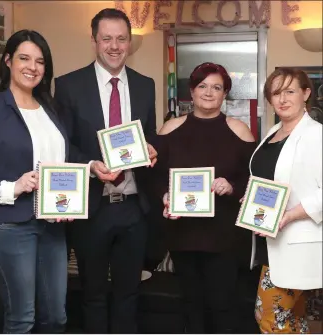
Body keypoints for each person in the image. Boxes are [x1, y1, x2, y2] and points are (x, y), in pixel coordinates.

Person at [54, 8, 157, 334]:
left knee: (129, 293)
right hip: (92, 208)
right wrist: (90, 166)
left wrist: (152, 149)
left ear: (129, 42)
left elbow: (148, 137)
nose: (115, 46)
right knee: (93, 295)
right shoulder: (69, 85)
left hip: (132, 208)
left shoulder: (145, 85)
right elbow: (63, 145)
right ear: (94, 41)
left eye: (121, 38)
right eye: (107, 38)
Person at [152, 62, 256, 333]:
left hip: (225, 236)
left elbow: (254, 179)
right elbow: (154, 176)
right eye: (203, 86)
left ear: (225, 94)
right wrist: (164, 195)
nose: (209, 93)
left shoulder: (240, 130)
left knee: (223, 306)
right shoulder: (169, 129)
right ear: (192, 90)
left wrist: (231, 186)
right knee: (190, 305)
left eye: (217, 87)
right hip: (183, 235)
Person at [0, 30, 69, 333]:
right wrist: (12, 187)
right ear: (7, 61)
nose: (32, 67)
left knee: (56, 317)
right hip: (10, 226)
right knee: (22, 319)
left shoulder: (51, 109)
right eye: (24, 58)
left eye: (40, 61)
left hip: (53, 226)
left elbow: (60, 165)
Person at [250, 67, 322, 333]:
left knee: (269, 318)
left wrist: (289, 215)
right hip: (269, 241)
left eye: (290, 91)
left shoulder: (316, 135)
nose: (282, 99)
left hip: (296, 242)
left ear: (306, 93)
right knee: (292, 320)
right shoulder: (273, 133)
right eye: (276, 92)